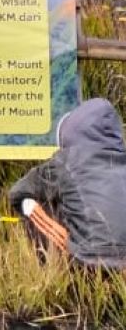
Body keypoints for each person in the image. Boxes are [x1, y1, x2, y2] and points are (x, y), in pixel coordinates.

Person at [9, 97, 126, 267]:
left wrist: (39, 216)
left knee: (42, 200)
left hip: (85, 261)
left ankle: (51, 268)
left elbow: (18, 193)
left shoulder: (65, 161)